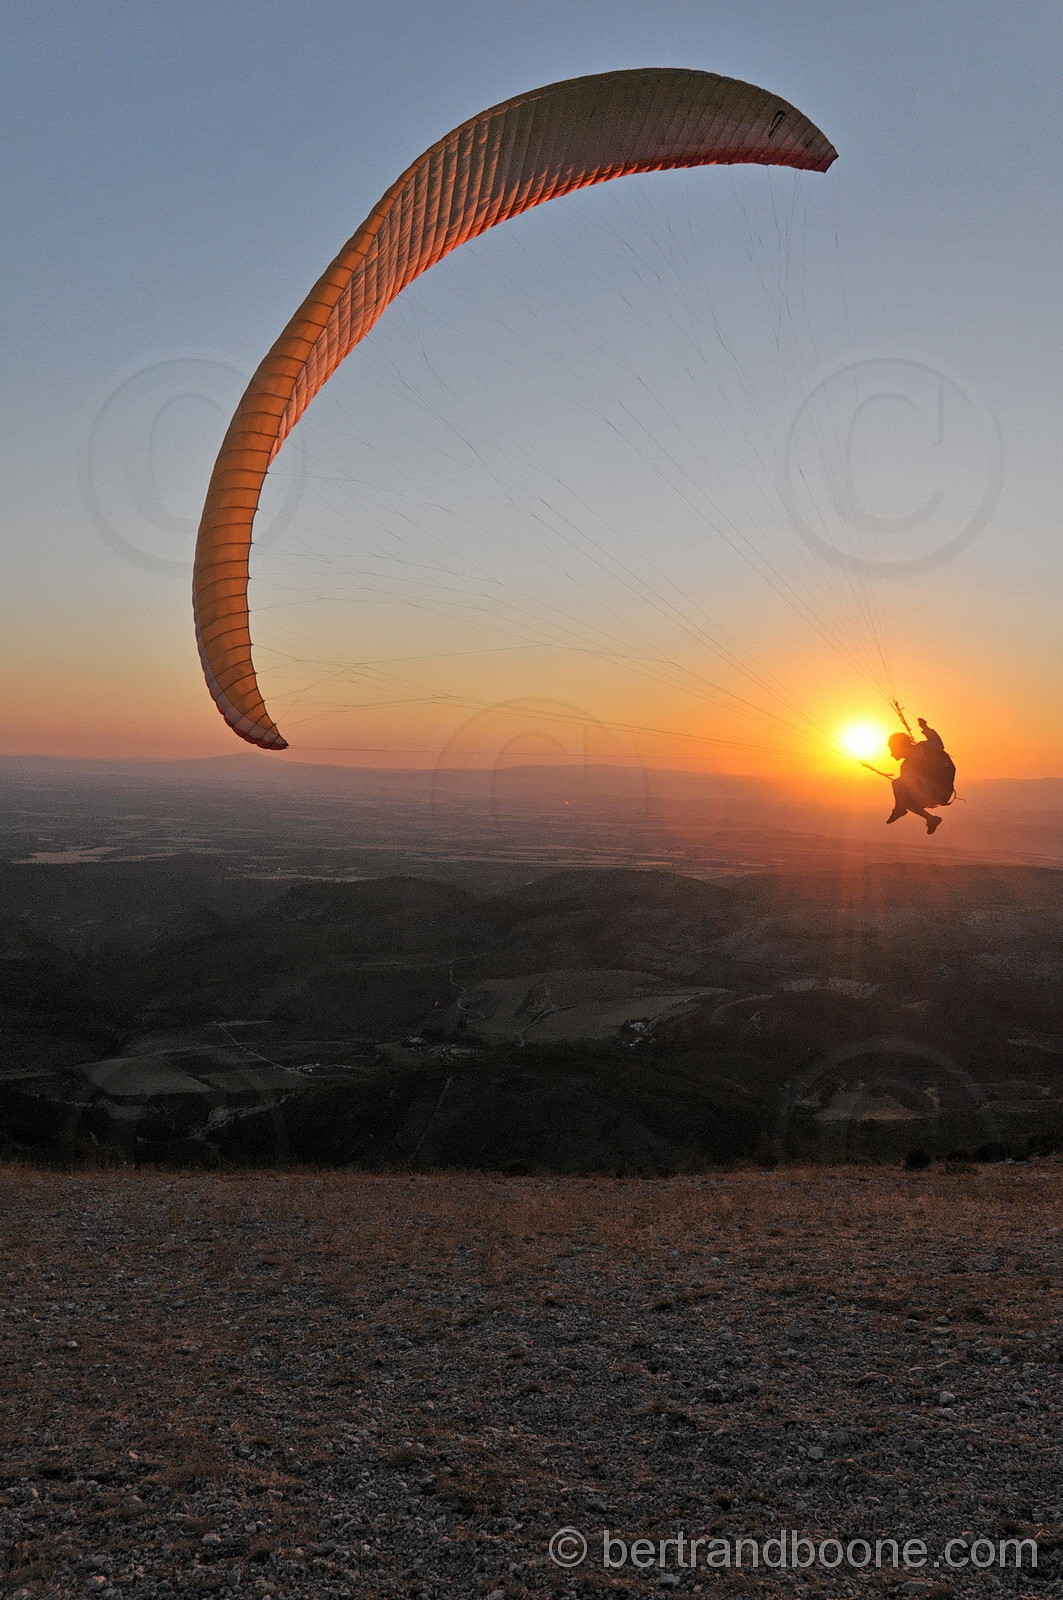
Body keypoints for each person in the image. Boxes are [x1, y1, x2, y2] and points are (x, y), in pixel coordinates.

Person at [886, 717, 956, 835]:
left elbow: (938, 744)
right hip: (935, 794)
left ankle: (900, 808)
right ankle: (931, 818)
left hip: (936, 792)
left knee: (898, 785)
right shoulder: (907, 765)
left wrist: (925, 728)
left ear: (900, 747)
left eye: (892, 749)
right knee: (904, 798)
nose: (891, 754)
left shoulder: (922, 749)